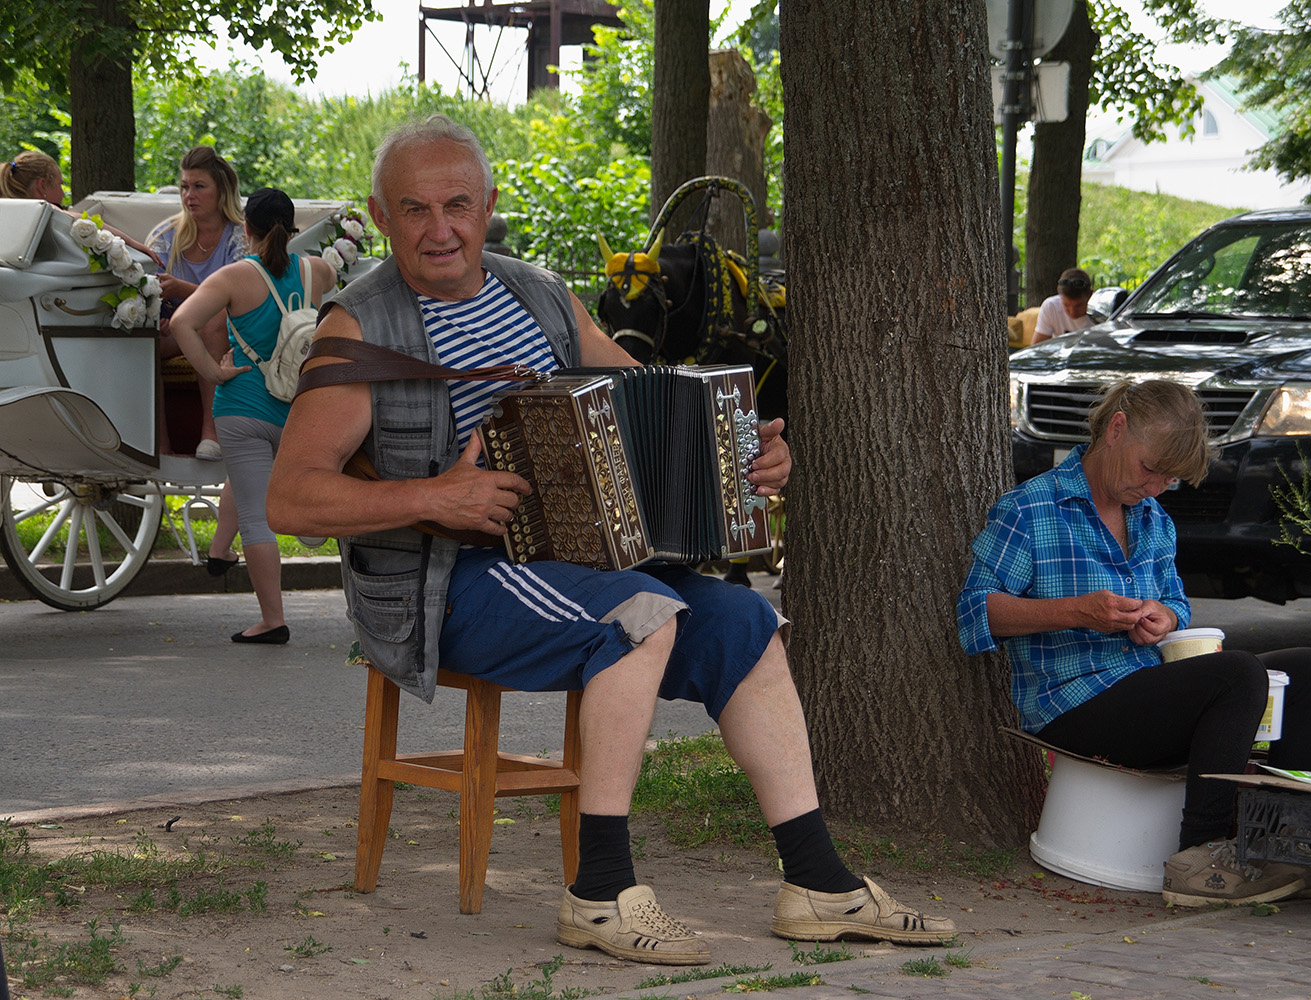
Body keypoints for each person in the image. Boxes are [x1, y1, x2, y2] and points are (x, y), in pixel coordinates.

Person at [266, 114, 952, 965]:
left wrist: (748, 452)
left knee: (742, 622)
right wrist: (436, 494)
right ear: (379, 212)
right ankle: (599, 894)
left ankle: (817, 883)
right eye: (413, 210)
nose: (439, 229)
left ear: (487, 206)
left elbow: (655, 397)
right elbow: (292, 497)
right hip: (453, 577)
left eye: (457, 205)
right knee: (641, 615)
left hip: (574, 564)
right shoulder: (361, 327)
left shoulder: (536, 291)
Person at [956, 379, 1311, 908]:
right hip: (1075, 704)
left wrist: (1165, 617)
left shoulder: (1153, 518)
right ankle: (1201, 860)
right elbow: (975, 612)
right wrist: (1076, 611)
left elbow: (1178, 606)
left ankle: (1287, 846)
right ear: (1116, 430)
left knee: (1310, 669)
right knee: (1239, 673)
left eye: (1170, 478)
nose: (1157, 486)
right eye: (1150, 469)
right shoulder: (1031, 509)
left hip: (1148, 690)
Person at [169, 187, 337, 644]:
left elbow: (181, 322)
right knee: (246, 487)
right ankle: (224, 549)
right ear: (293, 225)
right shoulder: (316, 271)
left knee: (255, 513)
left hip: (242, 406)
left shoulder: (233, 277)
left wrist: (212, 371)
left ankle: (272, 619)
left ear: (247, 228)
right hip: (296, 410)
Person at [149, 146, 250, 461]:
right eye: (184, 186)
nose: (188, 195)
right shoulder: (167, 237)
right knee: (140, 338)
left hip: (227, 331)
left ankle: (212, 433)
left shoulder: (239, 237)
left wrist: (181, 289)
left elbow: (240, 296)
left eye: (199, 186)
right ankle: (157, 444)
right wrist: (157, 316)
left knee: (210, 319)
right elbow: (147, 288)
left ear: (221, 191)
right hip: (175, 331)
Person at [1, 150, 162, 264]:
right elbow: (76, 218)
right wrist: (135, 244)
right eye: (60, 185)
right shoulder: (43, 211)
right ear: (42, 186)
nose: (63, 194)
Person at [1030, 267, 1095, 345]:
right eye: (1066, 305)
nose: (1072, 312)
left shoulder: (1102, 313)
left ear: (1090, 295)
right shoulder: (1051, 306)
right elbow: (1037, 347)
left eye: (1079, 306)